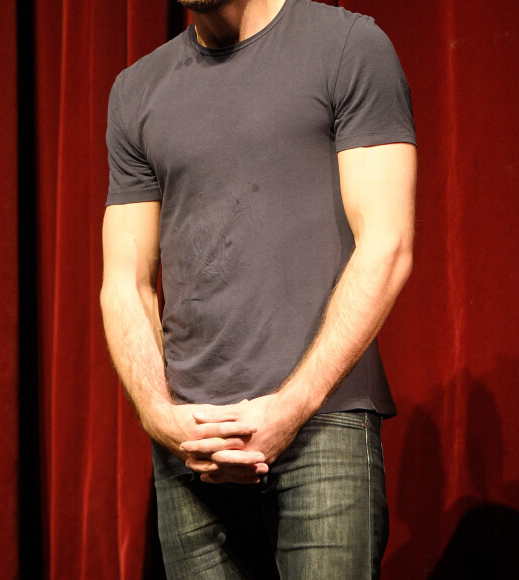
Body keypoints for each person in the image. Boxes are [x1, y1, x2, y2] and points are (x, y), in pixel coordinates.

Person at [101, 0, 417, 577]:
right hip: (192, 444)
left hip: (324, 423)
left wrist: (291, 408)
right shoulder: (136, 90)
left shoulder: (347, 46)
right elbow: (125, 283)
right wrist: (159, 415)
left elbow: (388, 245)